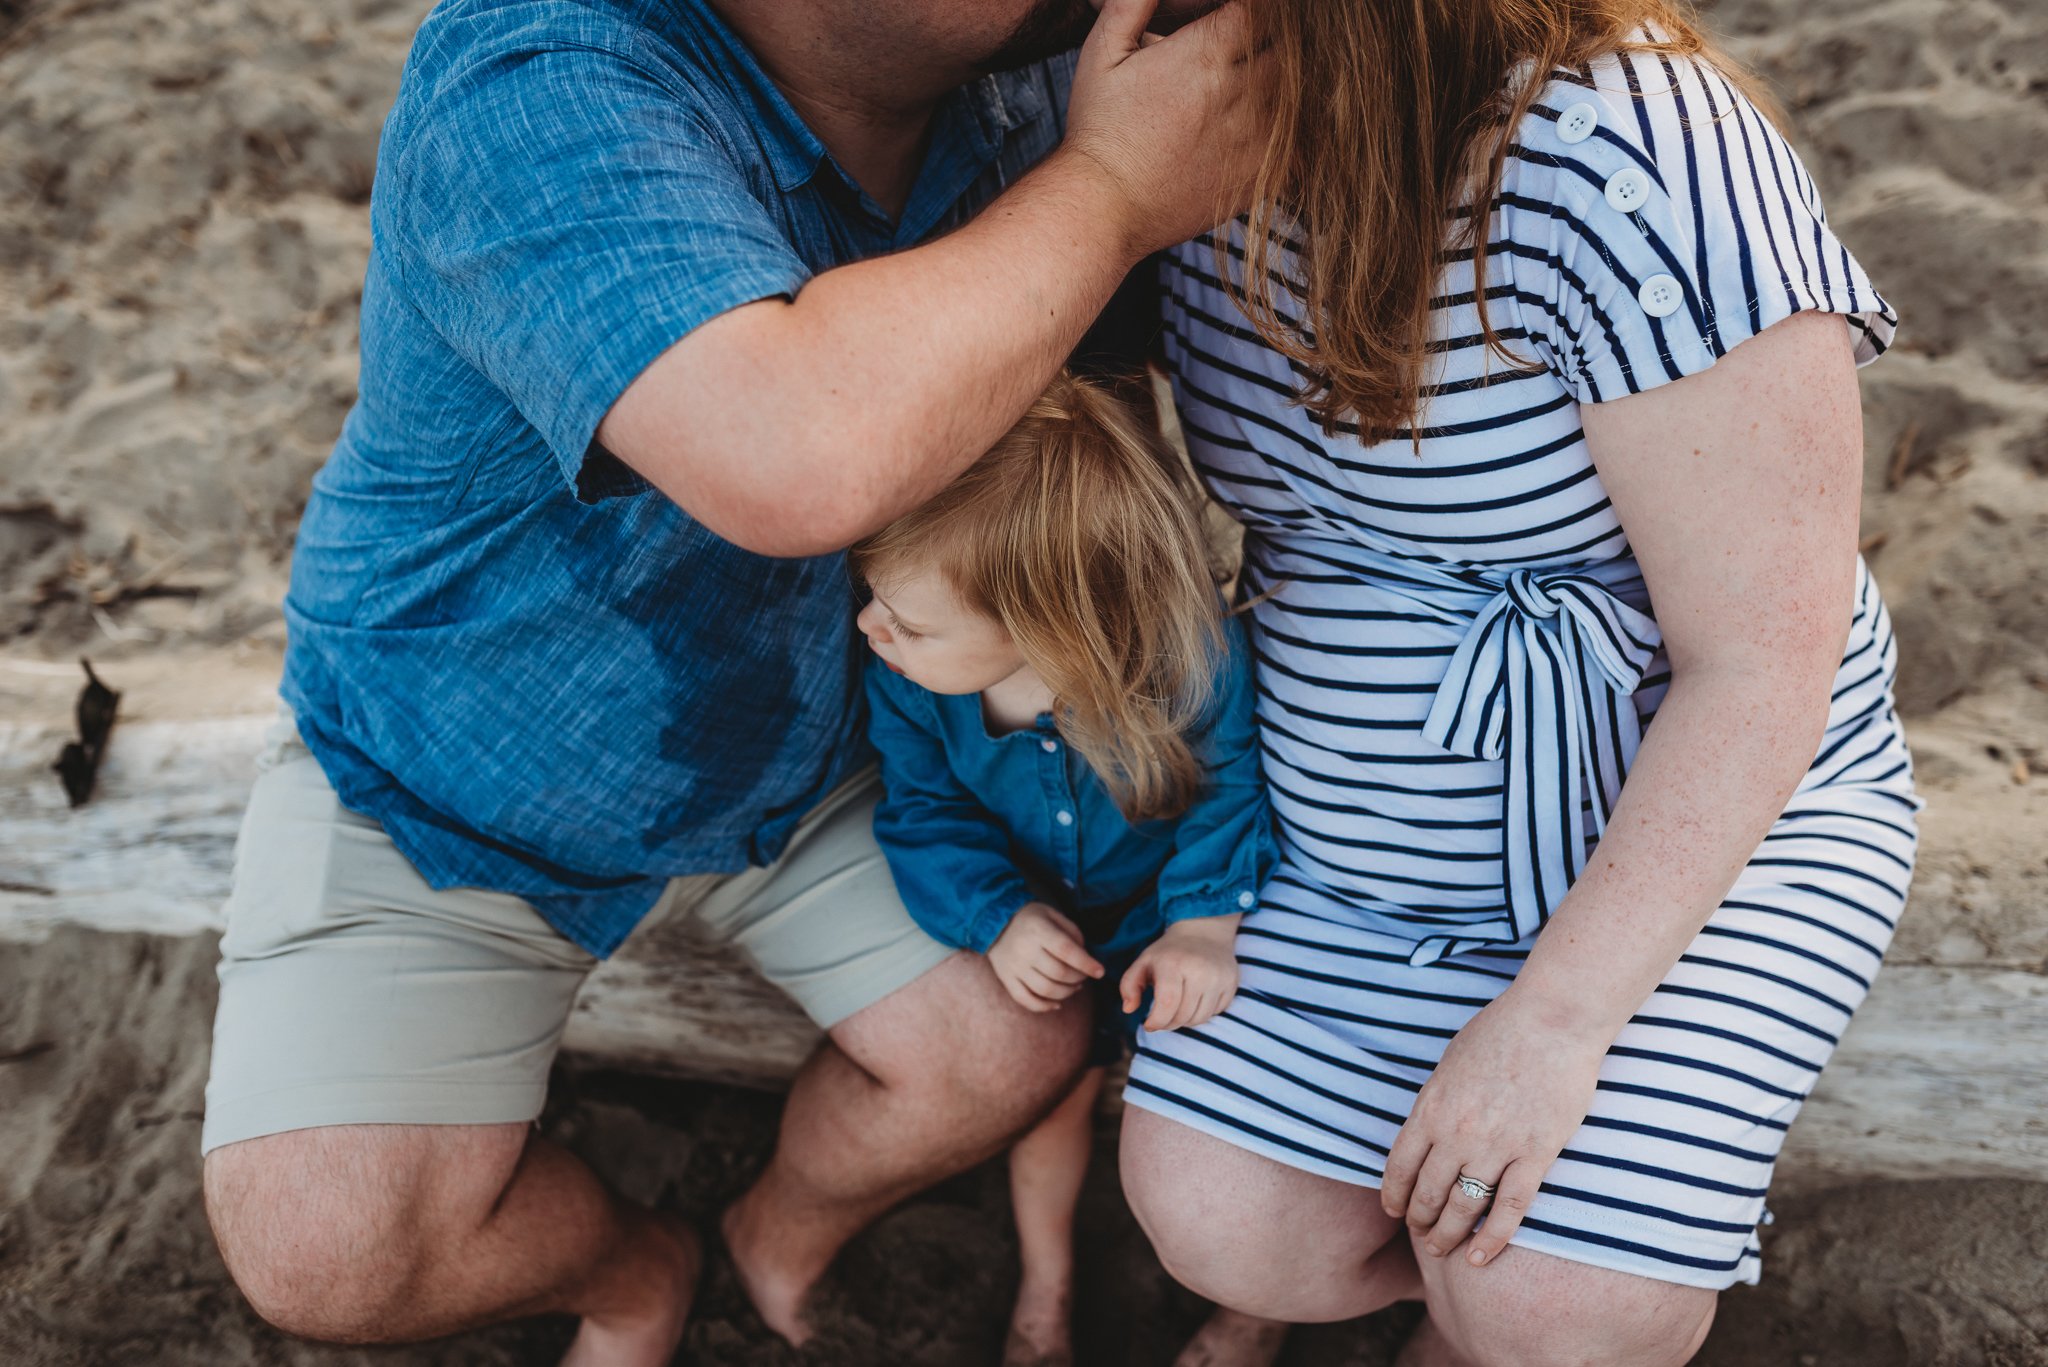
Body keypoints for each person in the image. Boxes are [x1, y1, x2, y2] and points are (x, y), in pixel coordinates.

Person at [195, 0, 1263, 1360]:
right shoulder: (536, 75)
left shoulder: (1036, 74)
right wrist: (1111, 191)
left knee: (1008, 1045)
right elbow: (792, 448)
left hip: (820, 746)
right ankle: (632, 1268)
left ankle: (772, 1226)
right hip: (447, 773)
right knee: (329, 1248)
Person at [1114, 4, 1921, 1366]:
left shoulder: (1634, 159)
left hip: (1688, 827)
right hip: (1358, 836)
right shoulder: (1172, 108)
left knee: (1554, 1307)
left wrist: (1555, 1023)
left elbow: (1760, 663)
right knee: (1223, 1220)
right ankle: (1441, 1297)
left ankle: (1488, 1322)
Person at [850, 373, 1288, 1367]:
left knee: (1216, 1117)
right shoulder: (913, 686)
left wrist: (1201, 924)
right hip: (1052, 934)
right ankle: (1045, 1282)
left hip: (1166, 919)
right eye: (871, 596)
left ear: (1045, 624)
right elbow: (921, 813)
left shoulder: (1189, 664)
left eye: (907, 621)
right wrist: (998, 914)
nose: (871, 629)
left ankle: (1255, 1301)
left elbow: (1229, 792)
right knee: (1045, 1105)